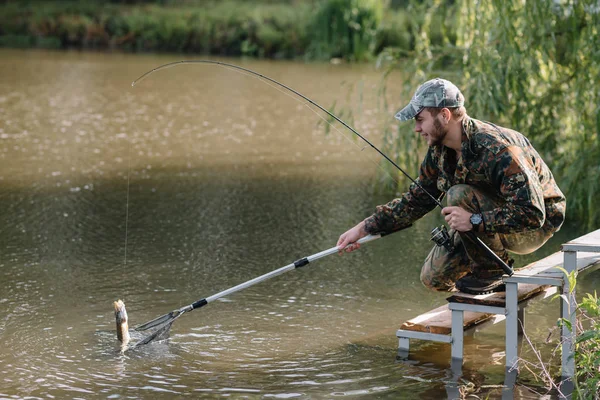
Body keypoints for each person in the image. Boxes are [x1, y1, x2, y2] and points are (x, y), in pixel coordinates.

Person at [336, 78, 566, 294]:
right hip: (490, 221)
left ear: (444, 115)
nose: (416, 129)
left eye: (420, 119)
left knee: (458, 195)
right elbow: (417, 200)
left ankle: (493, 272)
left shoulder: (496, 148)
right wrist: (365, 228)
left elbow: (534, 214)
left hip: (535, 227)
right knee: (434, 278)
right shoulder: (439, 151)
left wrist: (475, 221)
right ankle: (484, 281)